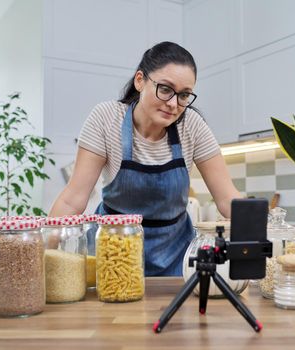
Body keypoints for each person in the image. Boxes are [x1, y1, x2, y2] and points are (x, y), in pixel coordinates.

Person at [49, 41, 241, 276]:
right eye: (165, 89)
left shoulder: (192, 125)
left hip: (175, 259)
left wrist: (267, 232)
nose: (173, 103)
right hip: (112, 255)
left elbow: (227, 199)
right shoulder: (106, 118)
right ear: (140, 80)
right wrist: (44, 257)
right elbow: (72, 200)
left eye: (184, 95)